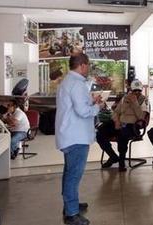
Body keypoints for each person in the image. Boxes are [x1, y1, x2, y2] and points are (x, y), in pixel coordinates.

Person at [55, 53, 105, 225]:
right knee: (73, 175)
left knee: (69, 173)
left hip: (71, 134)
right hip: (76, 136)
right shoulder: (76, 84)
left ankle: (71, 203)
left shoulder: (68, 82)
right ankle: (72, 214)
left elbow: (79, 106)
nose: (88, 68)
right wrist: (97, 106)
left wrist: (91, 101)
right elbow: (83, 112)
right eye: (88, 65)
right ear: (82, 65)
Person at [97, 80, 149, 172]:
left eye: (139, 91)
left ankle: (121, 162)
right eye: (134, 91)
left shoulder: (143, 100)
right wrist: (116, 121)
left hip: (132, 125)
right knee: (100, 132)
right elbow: (116, 112)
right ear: (131, 90)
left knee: (122, 134)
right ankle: (113, 156)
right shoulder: (125, 98)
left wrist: (135, 103)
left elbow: (141, 117)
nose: (136, 93)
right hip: (120, 123)